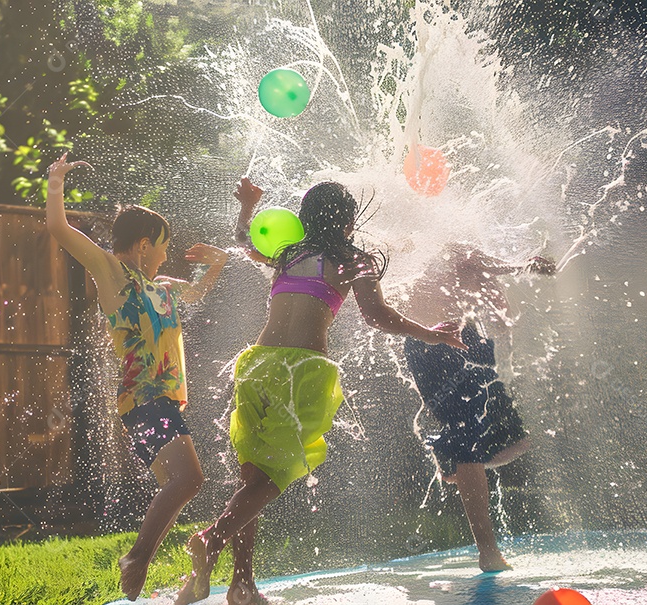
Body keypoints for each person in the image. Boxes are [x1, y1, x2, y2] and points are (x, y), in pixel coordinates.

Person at [175, 178, 467, 605]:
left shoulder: (289, 254)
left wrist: (247, 208)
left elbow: (243, 242)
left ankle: (241, 585)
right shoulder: (354, 260)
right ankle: (212, 539)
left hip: (257, 364)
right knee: (281, 470)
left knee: (252, 476)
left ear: (304, 219)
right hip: (301, 371)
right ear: (349, 220)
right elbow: (378, 316)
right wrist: (433, 336)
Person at [45, 153, 229, 601]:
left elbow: (200, 289)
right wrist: (55, 182)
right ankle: (138, 557)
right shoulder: (112, 272)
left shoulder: (162, 287)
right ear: (144, 244)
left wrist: (218, 261)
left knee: (182, 482)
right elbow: (59, 231)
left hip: (159, 402)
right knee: (188, 480)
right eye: (164, 245)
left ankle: (147, 562)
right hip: (144, 400)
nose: (167, 253)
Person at [401, 242, 555, 571]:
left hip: (451, 340)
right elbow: (485, 265)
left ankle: (457, 458)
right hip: (440, 340)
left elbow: (495, 300)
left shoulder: (433, 252)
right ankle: (488, 551)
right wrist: (525, 265)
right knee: (468, 442)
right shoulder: (450, 245)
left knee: (518, 440)